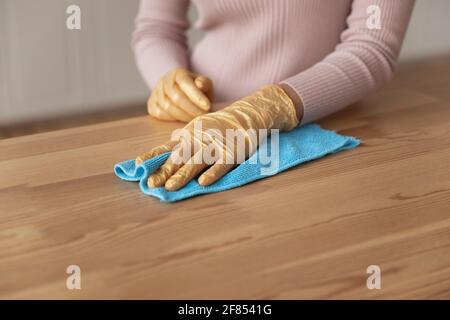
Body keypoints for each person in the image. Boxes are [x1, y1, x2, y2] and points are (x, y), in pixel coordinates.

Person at [132, 0, 415, 191]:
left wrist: (265, 109)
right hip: (198, 122)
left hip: (330, 123)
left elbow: (372, 46)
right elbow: (156, 29)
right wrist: (168, 79)